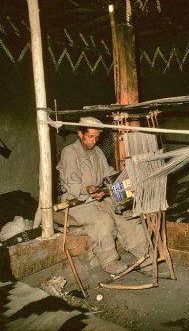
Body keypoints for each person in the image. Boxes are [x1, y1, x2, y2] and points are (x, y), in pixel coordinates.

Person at [57, 117, 149, 275]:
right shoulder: (69, 152)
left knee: (125, 214)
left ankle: (145, 256)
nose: (94, 141)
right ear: (80, 133)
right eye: (90, 137)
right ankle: (109, 262)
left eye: (97, 137)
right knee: (102, 220)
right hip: (76, 203)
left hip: (96, 197)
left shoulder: (97, 152)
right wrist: (88, 189)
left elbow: (108, 173)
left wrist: (126, 177)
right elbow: (71, 185)